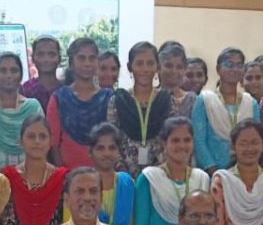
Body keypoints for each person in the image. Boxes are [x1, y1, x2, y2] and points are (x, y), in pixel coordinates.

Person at [135, 117, 211, 225]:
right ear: (164, 144)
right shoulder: (150, 178)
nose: (182, 146)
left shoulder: (202, 178)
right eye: (175, 140)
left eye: (187, 140)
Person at [110, 42, 175, 176]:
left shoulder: (166, 99)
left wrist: (159, 172)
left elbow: (171, 137)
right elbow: (112, 139)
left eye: (150, 63)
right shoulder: (118, 100)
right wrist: (122, 170)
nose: (145, 69)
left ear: (157, 67)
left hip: (160, 173)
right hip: (124, 173)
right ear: (130, 67)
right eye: (139, 63)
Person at [193, 47, 261, 175]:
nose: (234, 69)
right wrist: (214, 171)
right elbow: (199, 141)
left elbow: (257, 139)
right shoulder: (205, 100)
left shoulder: (251, 103)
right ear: (218, 68)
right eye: (229, 65)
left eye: (239, 65)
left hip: (245, 173)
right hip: (212, 173)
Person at [0, 52, 45, 168]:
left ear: (21, 75)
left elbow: (42, 143)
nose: (9, 75)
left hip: (29, 173)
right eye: (3, 71)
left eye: (14, 70)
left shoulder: (33, 107)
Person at [47, 38, 111, 169]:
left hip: (102, 173)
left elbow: (114, 141)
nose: (87, 63)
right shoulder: (59, 98)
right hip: (68, 174)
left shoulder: (109, 98)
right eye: (81, 58)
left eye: (92, 58)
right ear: (71, 63)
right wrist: (64, 174)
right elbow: (53, 144)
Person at [86, 122, 135, 225]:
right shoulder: (81, 186)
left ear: (118, 151)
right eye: (100, 148)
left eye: (112, 148)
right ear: (90, 152)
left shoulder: (127, 183)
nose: (107, 153)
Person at [22, 36, 63, 110]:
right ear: (33, 58)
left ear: (59, 58)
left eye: (51, 54)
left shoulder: (67, 91)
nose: (46, 59)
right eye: (40, 54)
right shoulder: (26, 90)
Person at [159, 42, 195, 117]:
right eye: (168, 66)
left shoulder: (194, 100)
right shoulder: (149, 98)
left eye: (179, 67)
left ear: (185, 69)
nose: (174, 71)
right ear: (158, 67)